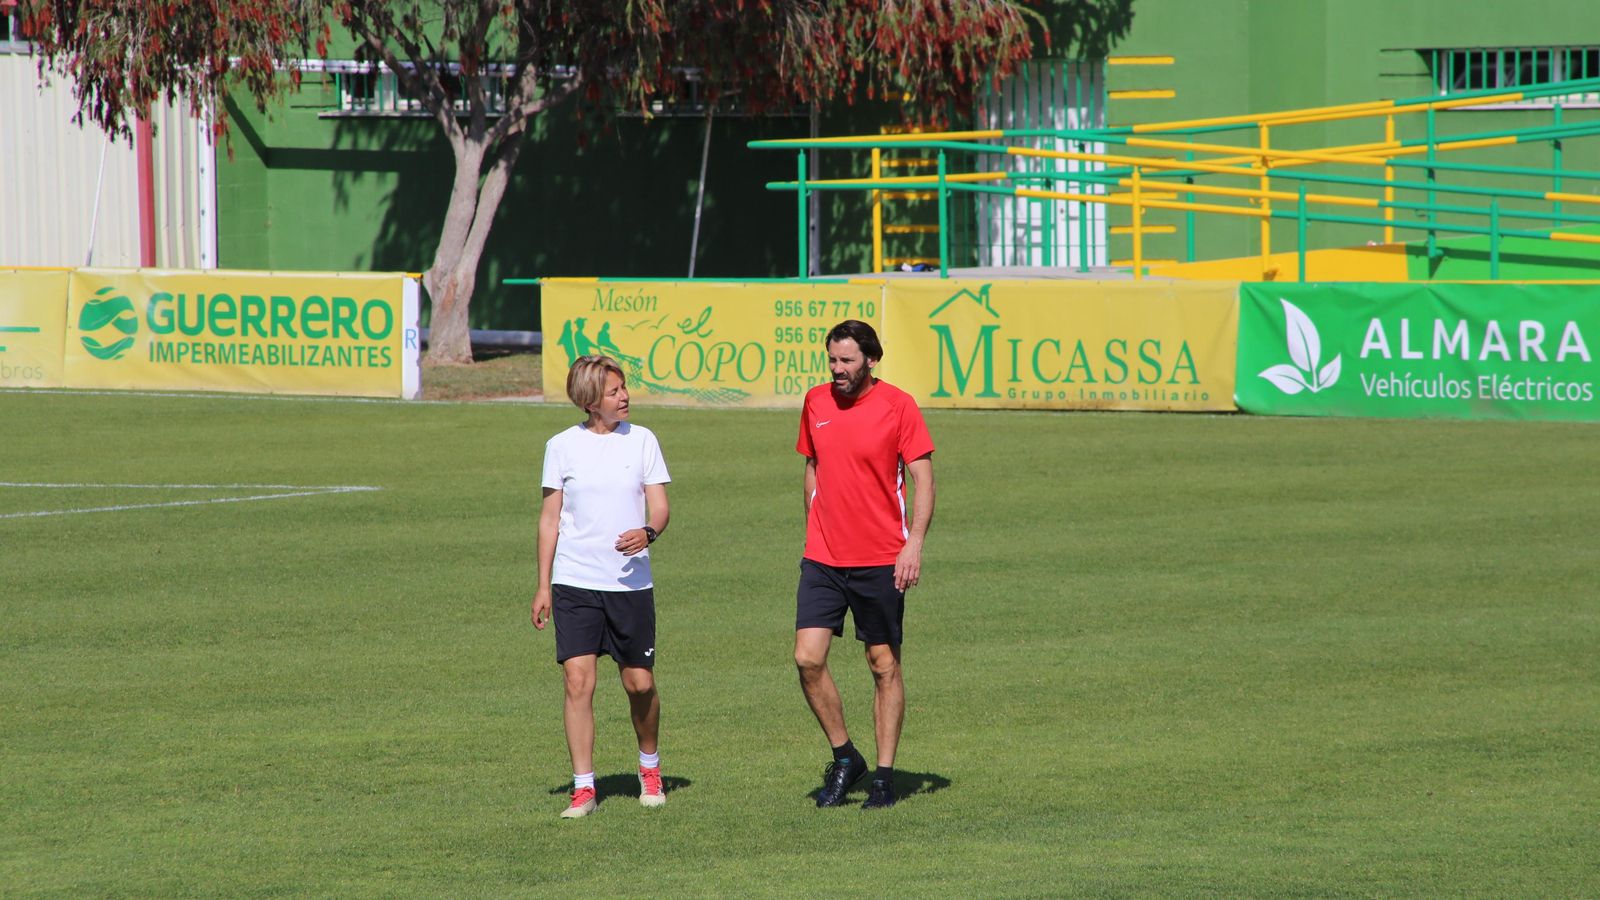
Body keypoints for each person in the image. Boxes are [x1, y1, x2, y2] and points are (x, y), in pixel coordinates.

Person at [793, 319, 935, 810]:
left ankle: (883, 777)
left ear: (871, 360)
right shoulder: (815, 401)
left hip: (880, 559)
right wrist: (814, 514)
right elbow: (811, 463)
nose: (837, 370)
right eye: (832, 360)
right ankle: (845, 756)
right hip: (823, 557)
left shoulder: (899, 406)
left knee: (883, 665)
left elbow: (923, 478)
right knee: (807, 658)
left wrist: (912, 543)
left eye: (847, 361)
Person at [532, 354, 671, 818]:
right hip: (575, 581)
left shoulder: (644, 441)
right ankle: (584, 788)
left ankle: (649, 766)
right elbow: (550, 520)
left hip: (630, 585)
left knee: (639, 684)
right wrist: (544, 585)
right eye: (614, 392)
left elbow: (660, 508)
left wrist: (648, 532)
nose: (624, 396)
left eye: (624, 388)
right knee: (577, 681)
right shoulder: (560, 446)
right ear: (591, 401)